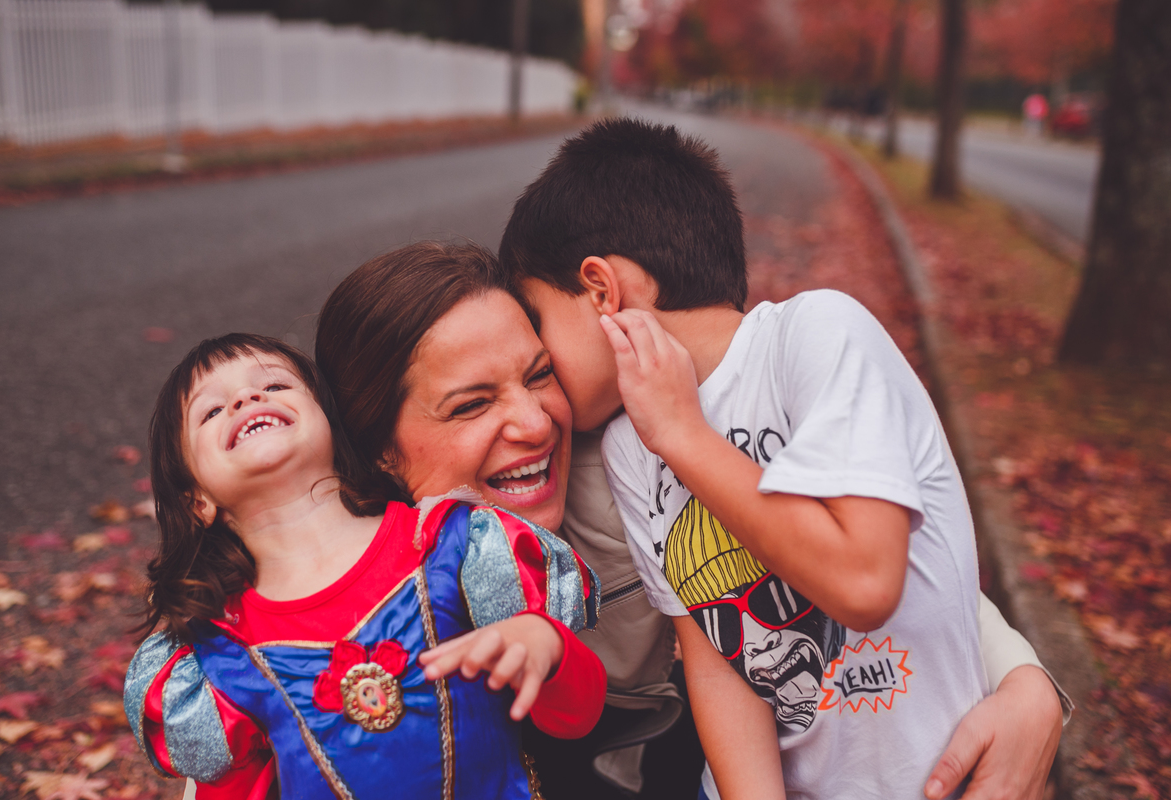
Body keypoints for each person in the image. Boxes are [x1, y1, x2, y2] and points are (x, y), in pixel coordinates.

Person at [316, 241, 1067, 799]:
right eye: (473, 404)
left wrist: (1027, 682)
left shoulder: (627, 471)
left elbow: (846, 561)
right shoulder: (330, 578)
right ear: (380, 449)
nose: (535, 423)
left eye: (540, 374)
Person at [496, 118, 1067, 799]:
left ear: (600, 290)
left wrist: (685, 438)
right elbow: (713, 658)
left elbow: (864, 585)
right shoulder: (627, 445)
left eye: (537, 319)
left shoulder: (818, 334)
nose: (539, 361)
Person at [124, 332, 606, 799]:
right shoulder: (221, 652)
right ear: (196, 501)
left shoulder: (454, 546)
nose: (247, 398)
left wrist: (547, 644)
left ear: (332, 424)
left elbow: (577, 717)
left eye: (274, 385)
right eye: (211, 409)